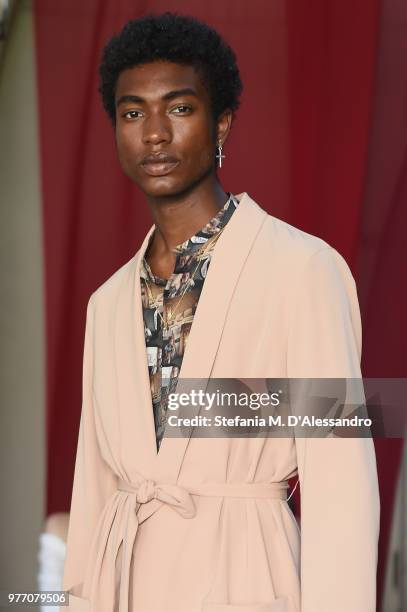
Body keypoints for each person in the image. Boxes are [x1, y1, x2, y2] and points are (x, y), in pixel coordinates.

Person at [62, 12, 380, 612]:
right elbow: (94, 490)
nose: (154, 133)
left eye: (179, 108)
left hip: (248, 578)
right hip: (130, 588)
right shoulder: (105, 306)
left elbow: (341, 484)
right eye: (133, 113)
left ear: (221, 123)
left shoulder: (302, 270)